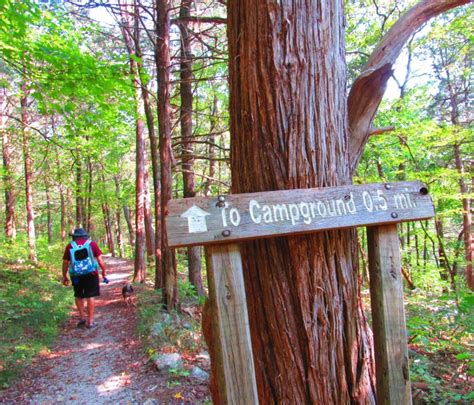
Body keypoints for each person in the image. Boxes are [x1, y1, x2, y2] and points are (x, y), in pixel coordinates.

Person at [62, 228, 107, 328]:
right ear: (85, 236)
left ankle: (82, 318)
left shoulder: (70, 246)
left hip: (76, 275)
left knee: (78, 295)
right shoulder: (92, 244)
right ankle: (90, 322)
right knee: (90, 296)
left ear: (74, 237)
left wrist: (64, 276)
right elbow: (100, 260)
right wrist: (104, 272)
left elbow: (65, 262)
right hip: (91, 273)